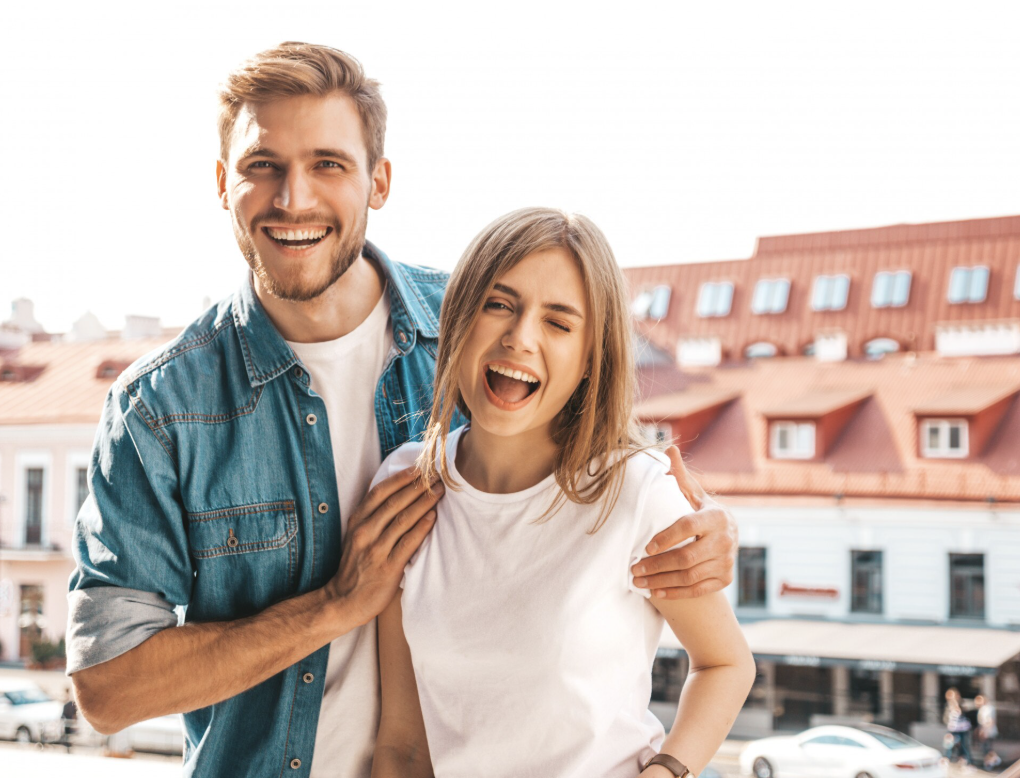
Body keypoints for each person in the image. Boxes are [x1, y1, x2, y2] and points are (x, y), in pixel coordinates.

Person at [64, 43, 740, 778]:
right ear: (224, 183)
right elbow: (107, 687)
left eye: (328, 163)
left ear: (378, 181)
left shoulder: (480, 324)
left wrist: (707, 531)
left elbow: (599, 460)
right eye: (263, 166)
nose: (294, 198)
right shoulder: (159, 409)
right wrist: (333, 606)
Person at [371, 208, 756, 778]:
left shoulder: (634, 491)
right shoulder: (407, 483)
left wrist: (668, 770)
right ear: (457, 321)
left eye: (558, 322)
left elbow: (726, 664)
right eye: (499, 304)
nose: (520, 337)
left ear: (587, 359)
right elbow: (402, 742)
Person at [943, 688, 973, 765]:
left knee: (963, 745)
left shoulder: (961, 703)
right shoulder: (948, 705)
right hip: (952, 729)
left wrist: (956, 704)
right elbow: (946, 717)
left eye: (951, 695)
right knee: (949, 744)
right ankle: (947, 758)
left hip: (962, 729)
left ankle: (968, 760)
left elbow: (962, 712)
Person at [975, 695, 999, 769]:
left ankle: (993, 762)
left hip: (988, 732)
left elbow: (991, 721)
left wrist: (985, 731)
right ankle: (989, 763)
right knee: (986, 748)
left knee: (987, 748)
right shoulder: (982, 709)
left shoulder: (989, 709)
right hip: (984, 731)